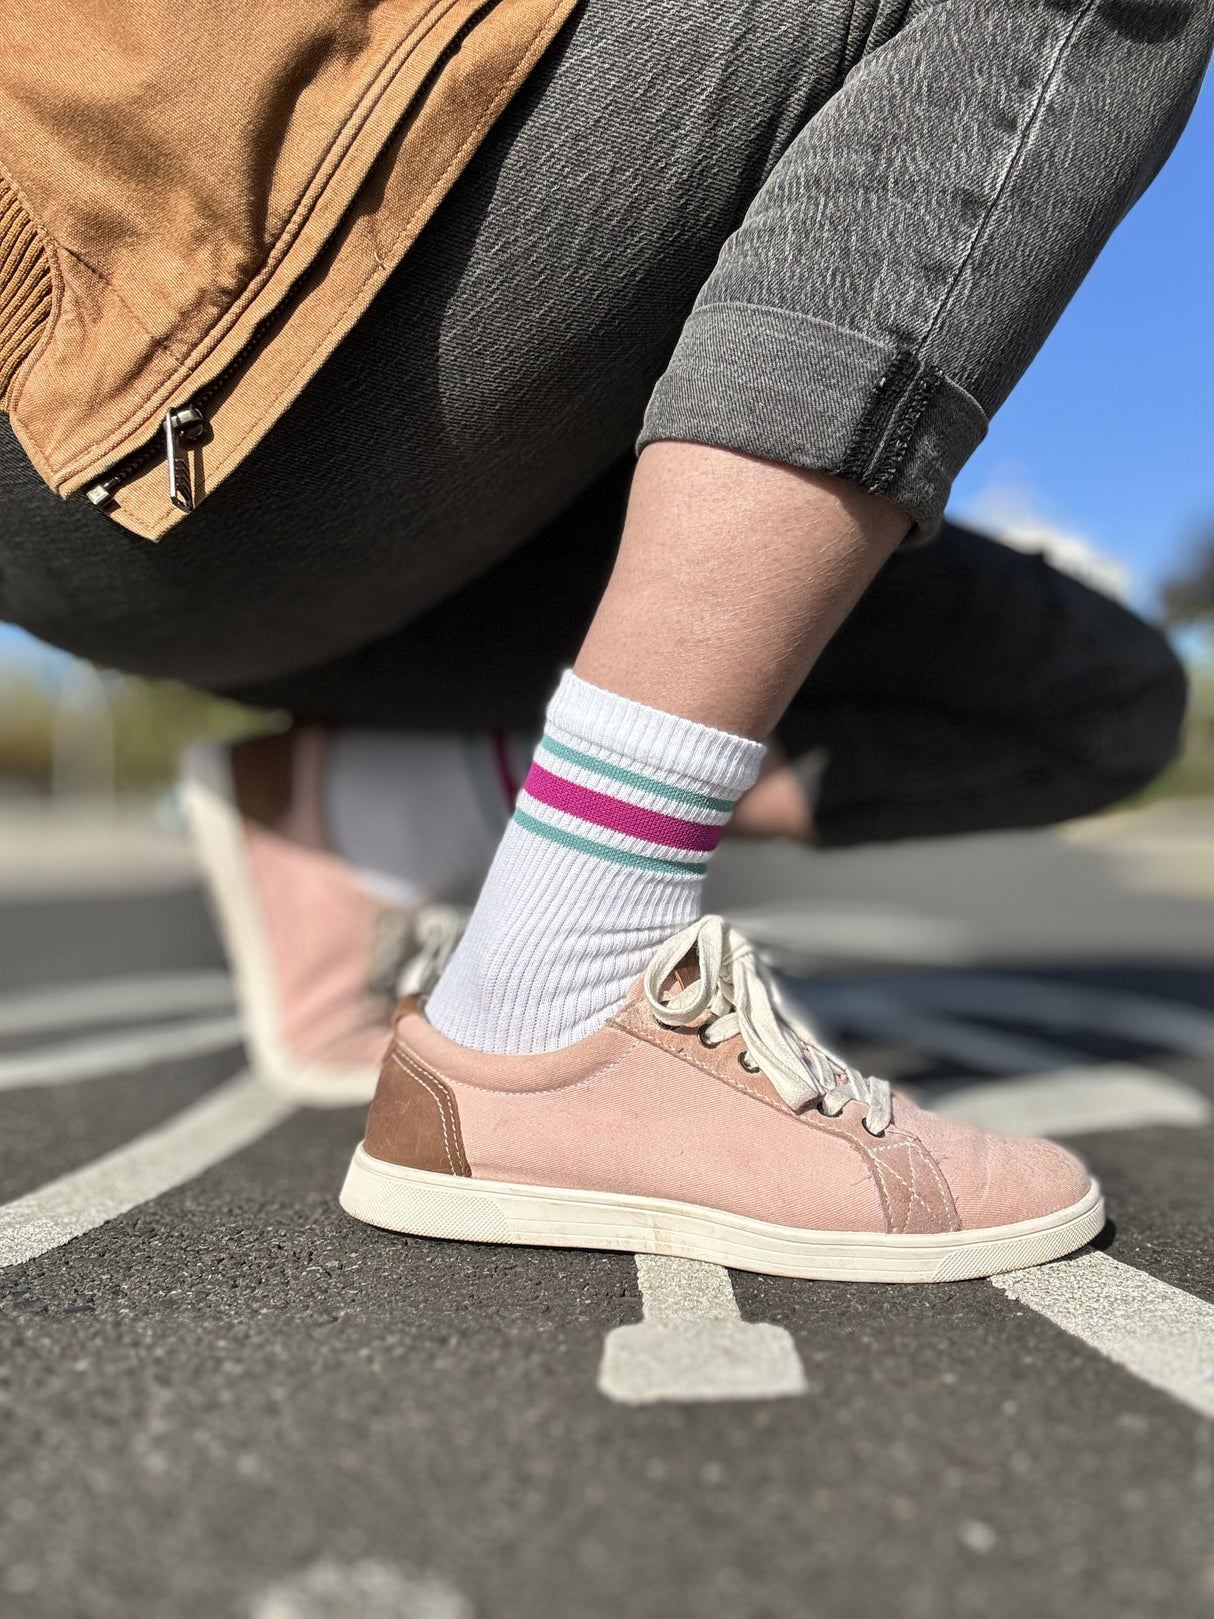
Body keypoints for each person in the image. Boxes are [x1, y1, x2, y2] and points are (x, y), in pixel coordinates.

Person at [1, 0, 1209, 1281]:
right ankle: (559, 998)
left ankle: (365, 813)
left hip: (404, 503)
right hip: (140, 322)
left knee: (1100, 700)